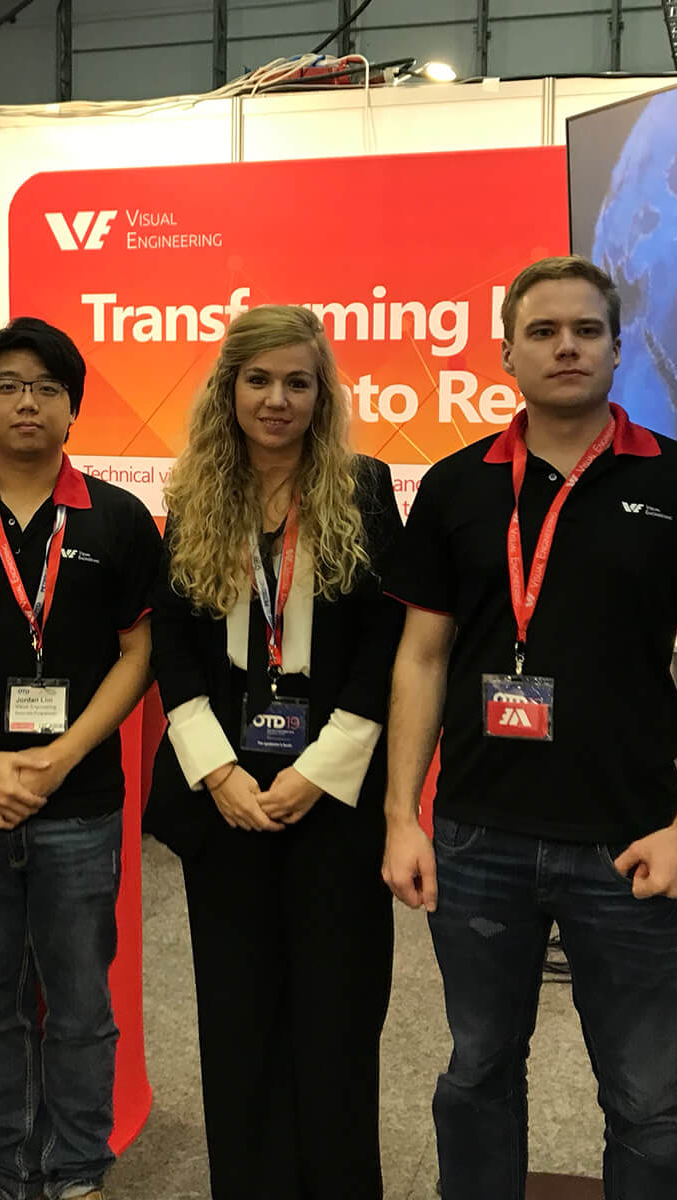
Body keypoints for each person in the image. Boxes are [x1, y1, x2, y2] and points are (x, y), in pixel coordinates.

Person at [380, 255, 677, 1200]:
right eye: (545, 331)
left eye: (586, 331)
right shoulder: (456, 486)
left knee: (645, 1098)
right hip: (477, 836)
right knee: (476, 1071)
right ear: (506, 353)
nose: (567, 347)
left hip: (629, 839)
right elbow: (421, 659)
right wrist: (402, 816)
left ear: (616, 347)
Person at [144, 304, 404, 1199]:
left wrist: (319, 771)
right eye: (259, 380)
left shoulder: (364, 487)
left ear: (320, 393)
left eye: (298, 382)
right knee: (239, 1022)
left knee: (335, 1023)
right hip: (226, 805)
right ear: (230, 390)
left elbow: (385, 644)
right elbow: (173, 648)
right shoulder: (193, 495)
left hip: (330, 803)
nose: (278, 399)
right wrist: (215, 770)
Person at [0, 317, 160, 1200]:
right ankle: (10, 1176)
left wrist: (61, 755)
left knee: (82, 1010)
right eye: (9, 385)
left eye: (47, 388)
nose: (27, 401)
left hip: (81, 803)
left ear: (73, 409)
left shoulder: (119, 518)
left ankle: (78, 1174)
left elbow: (139, 654)